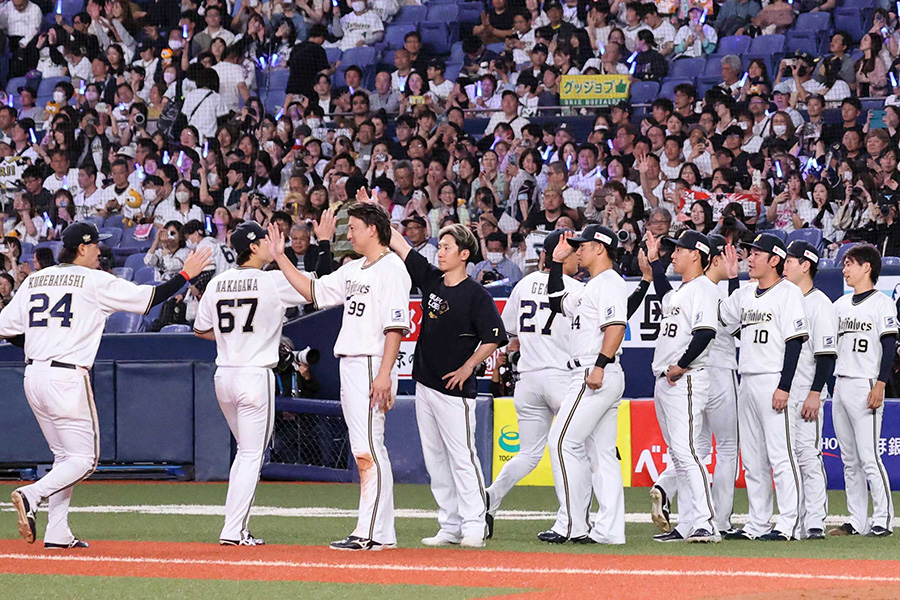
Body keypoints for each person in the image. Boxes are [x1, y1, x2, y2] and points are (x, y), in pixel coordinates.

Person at [4, 222, 211, 548]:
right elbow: (150, 298)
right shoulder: (93, 280)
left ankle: (58, 533)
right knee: (84, 460)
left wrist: (41, 345)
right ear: (82, 248)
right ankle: (32, 494)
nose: (100, 250)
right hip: (67, 377)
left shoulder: (35, 279)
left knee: (64, 457)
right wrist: (185, 275)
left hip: (33, 374)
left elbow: (7, 328)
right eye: (95, 245)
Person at [266, 203, 411, 551]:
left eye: (355, 227)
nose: (350, 234)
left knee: (367, 449)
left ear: (373, 230)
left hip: (371, 362)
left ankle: (368, 532)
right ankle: (381, 533)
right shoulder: (355, 268)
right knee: (371, 448)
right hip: (351, 362)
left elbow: (395, 327)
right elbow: (313, 292)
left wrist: (385, 373)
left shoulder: (392, 268)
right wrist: (281, 257)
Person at [388, 219, 507, 548]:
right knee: (435, 459)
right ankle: (450, 524)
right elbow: (400, 245)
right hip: (425, 383)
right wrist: (375, 211)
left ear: (464, 253)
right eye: (439, 246)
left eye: (447, 247)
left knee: (462, 457)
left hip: (455, 390)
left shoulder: (476, 295)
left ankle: (474, 524)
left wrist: (468, 367)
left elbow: (494, 337)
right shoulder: (431, 280)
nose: (440, 252)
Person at [192, 221, 311, 546]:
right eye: (264, 240)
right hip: (254, 375)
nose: (270, 244)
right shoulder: (272, 280)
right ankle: (233, 531)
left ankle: (236, 528)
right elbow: (317, 289)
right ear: (254, 247)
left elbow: (200, 330)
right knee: (250, 455)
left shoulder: (218, 282)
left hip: (224, 375)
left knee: (245, 453)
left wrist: (234, 336)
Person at [648, 234, 741, 537]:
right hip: (665, 379)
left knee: (688, 451)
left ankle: (705, 522)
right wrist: (653, 264)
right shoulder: (683, 291)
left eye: (680, 249)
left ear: (697, 255)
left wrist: (682, 365)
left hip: (685, 378)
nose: (673, 254)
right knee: (679, 453)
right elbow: (665, 296)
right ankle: (687, 524)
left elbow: (705, 334)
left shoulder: (703, 288)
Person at [718, 233, 808, 541]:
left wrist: (784, 386)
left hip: (773, 378)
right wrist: (731, 279)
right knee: (753, 458)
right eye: (749, 252)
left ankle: (788, 524)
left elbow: (795, 343)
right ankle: (757, 524)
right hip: (748, 377)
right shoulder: (744, 291)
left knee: (781, 455)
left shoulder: (789, 293)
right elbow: (726, 320)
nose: (750, 258)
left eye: (757, 253)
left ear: (775, 259)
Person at [543, 225, 626, 543]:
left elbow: (616, 327)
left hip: (595, 372)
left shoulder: (609, 282)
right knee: (603, 453)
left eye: (583, 245)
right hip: (596, 371)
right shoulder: (590, 286)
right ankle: (609, 531)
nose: (578, 250)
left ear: (600, 249)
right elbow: (556, 302)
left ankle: (573, 525)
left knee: (562, 442)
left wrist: (600, 367)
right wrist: (554, 263)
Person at [830, 243, 897, 537]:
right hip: (841, 382)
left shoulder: (883, 303)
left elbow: (889, 346)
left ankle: (882, 518)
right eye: (844, 264)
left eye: (850, 263)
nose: (845, 269)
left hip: (866, 381)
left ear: (866, 267)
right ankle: (857, 520)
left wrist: (881, 383)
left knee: (869, 455)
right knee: (849, 459)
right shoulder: (840, 305)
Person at [782, 241, 836, 540]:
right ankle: (793, 520)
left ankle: (814, 520)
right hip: (785, 387)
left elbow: (826, 354)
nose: (785, 265)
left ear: (806, 265)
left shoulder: (820, 303)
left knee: (806, 454)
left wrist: (816, 392)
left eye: (791, 260)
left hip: (806, 388)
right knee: (785, 455)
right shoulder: (784, 298)